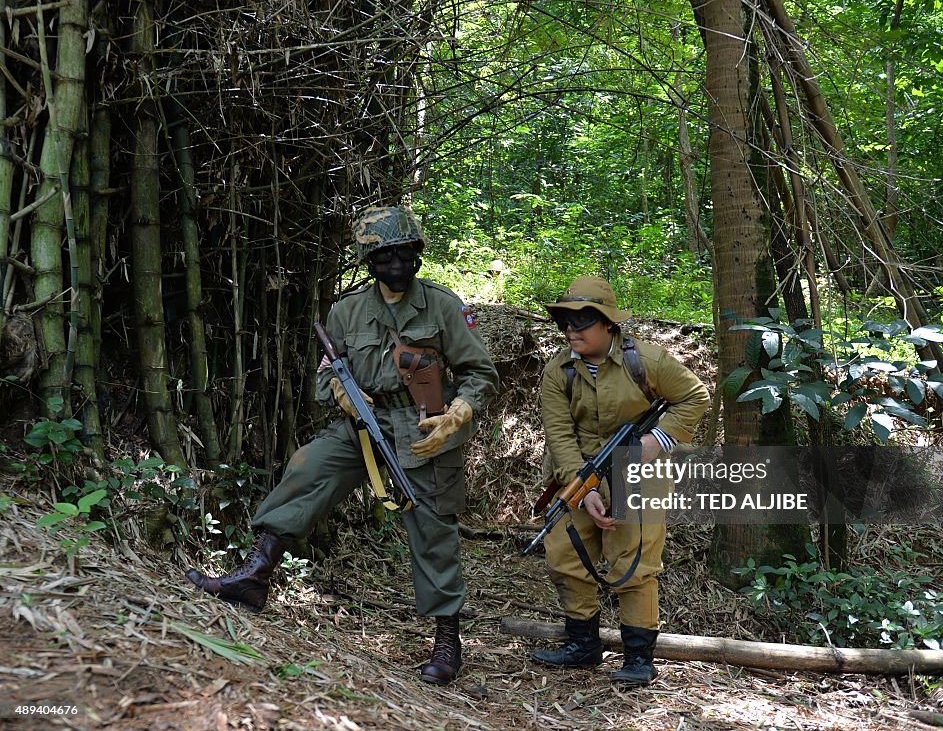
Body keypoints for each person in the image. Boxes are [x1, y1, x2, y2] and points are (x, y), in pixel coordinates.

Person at [185, 206, 499, 686]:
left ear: (417, 254)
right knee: (309, 467)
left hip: (423, 425)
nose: (395, 261)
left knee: (432, 524)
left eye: (403, 251)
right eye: (383, 253)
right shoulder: (347, 309)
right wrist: (336, 388)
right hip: (362, 424)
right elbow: (331, 366)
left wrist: (459, 411)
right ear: (369, 260)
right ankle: (254, 573)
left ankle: (446, 637)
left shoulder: (443, 305)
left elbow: (480, 373)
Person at [531, 276, 709, 684]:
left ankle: (638, 658)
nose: (571, 331)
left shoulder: (646, 361)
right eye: (565, 323)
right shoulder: (558, 370)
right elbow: (559, 434)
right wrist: (585, 487)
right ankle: (583, 645)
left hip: (638, 470)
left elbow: (695, 396)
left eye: (582, 322)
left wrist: (658, 439)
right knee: (566, 555)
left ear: (607, 323)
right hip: (576, 470)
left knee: (634, 563)